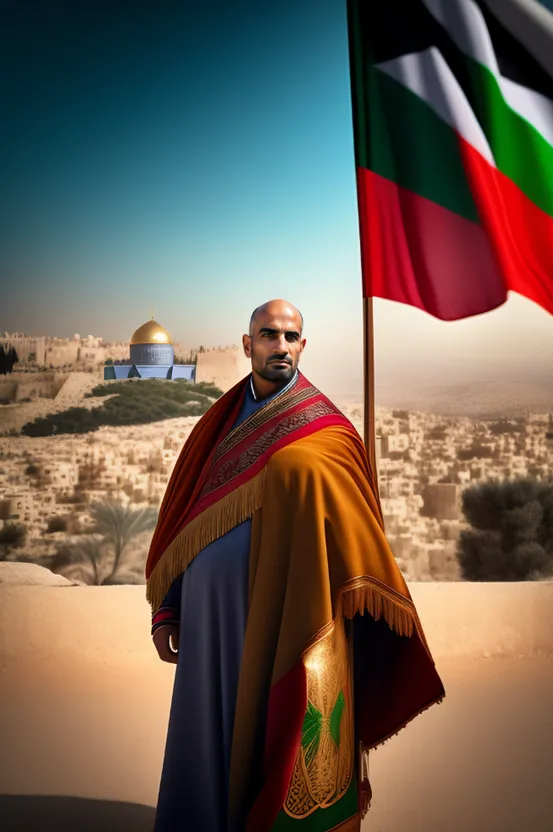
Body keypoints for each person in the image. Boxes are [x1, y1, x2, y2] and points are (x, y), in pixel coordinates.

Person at [147, 299, 445, 832]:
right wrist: (170, 608)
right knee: (208, 735)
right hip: (211, 624)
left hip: (284, 617)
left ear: (303, 346)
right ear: (248, 344)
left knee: (273, 738)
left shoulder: (328, 431)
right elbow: (187, 516)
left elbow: (355, 527)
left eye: (290, 336)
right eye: (268, 335)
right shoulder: (215, 428)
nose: (279, 345)